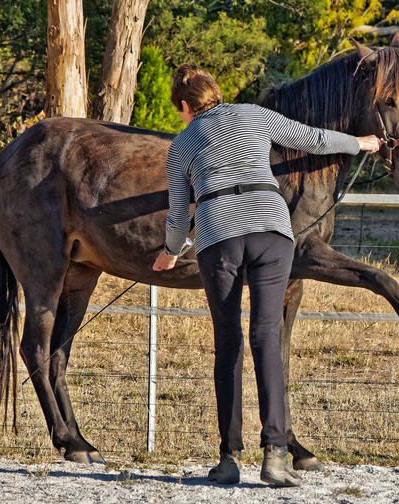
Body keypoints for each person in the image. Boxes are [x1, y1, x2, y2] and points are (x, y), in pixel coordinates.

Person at [152, 65, 381, 487]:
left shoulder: (182, 143)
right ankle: (275, 455)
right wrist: (360, 142)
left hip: (219, 235)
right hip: (273, 232)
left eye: (180, 111)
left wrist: (169, 253)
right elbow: (313, 138)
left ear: (185, 106)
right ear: (217, 93)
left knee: (229, 341)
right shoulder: (255, 115)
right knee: (266, 337)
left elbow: (179, 213)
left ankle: (229, 458)